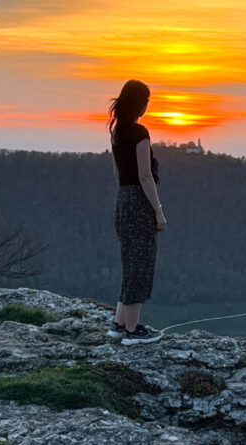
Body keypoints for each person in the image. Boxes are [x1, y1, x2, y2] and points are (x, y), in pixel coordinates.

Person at [106, 79, 166, 345]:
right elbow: (144, 175)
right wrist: (158, 211)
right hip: (139, 203)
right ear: (139, 103)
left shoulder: (116, 132)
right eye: (146, 101)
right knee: (140, 265)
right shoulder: (139, 132)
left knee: (129, 263)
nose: (147, 106)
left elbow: (119, 173)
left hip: (122, 200)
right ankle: (132, 330)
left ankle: (119, 324)